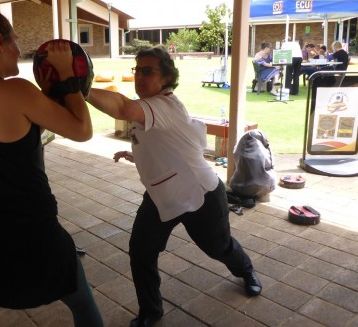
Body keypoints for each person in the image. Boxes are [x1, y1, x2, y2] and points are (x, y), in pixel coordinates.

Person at [0, 0, 102, 327]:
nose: (19, 50)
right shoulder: (15, 90)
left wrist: (46, 96)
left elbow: (7, 143)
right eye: (15, 41)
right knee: (84, 308)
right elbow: (83, 130)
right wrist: (66, 79)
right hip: (33, 231)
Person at [86, 47, 262, 327]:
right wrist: (135, 155)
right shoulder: (150, 107)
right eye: (137, 69)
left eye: (148, 71)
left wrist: (81, 88)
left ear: (166, 77)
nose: (139, 76)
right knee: (141, 252)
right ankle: (150, 312)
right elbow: (160, 143)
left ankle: (246, 270)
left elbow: (121, 107)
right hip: (161, 195)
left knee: (219, 248)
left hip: (199, 194)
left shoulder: (164, 105)